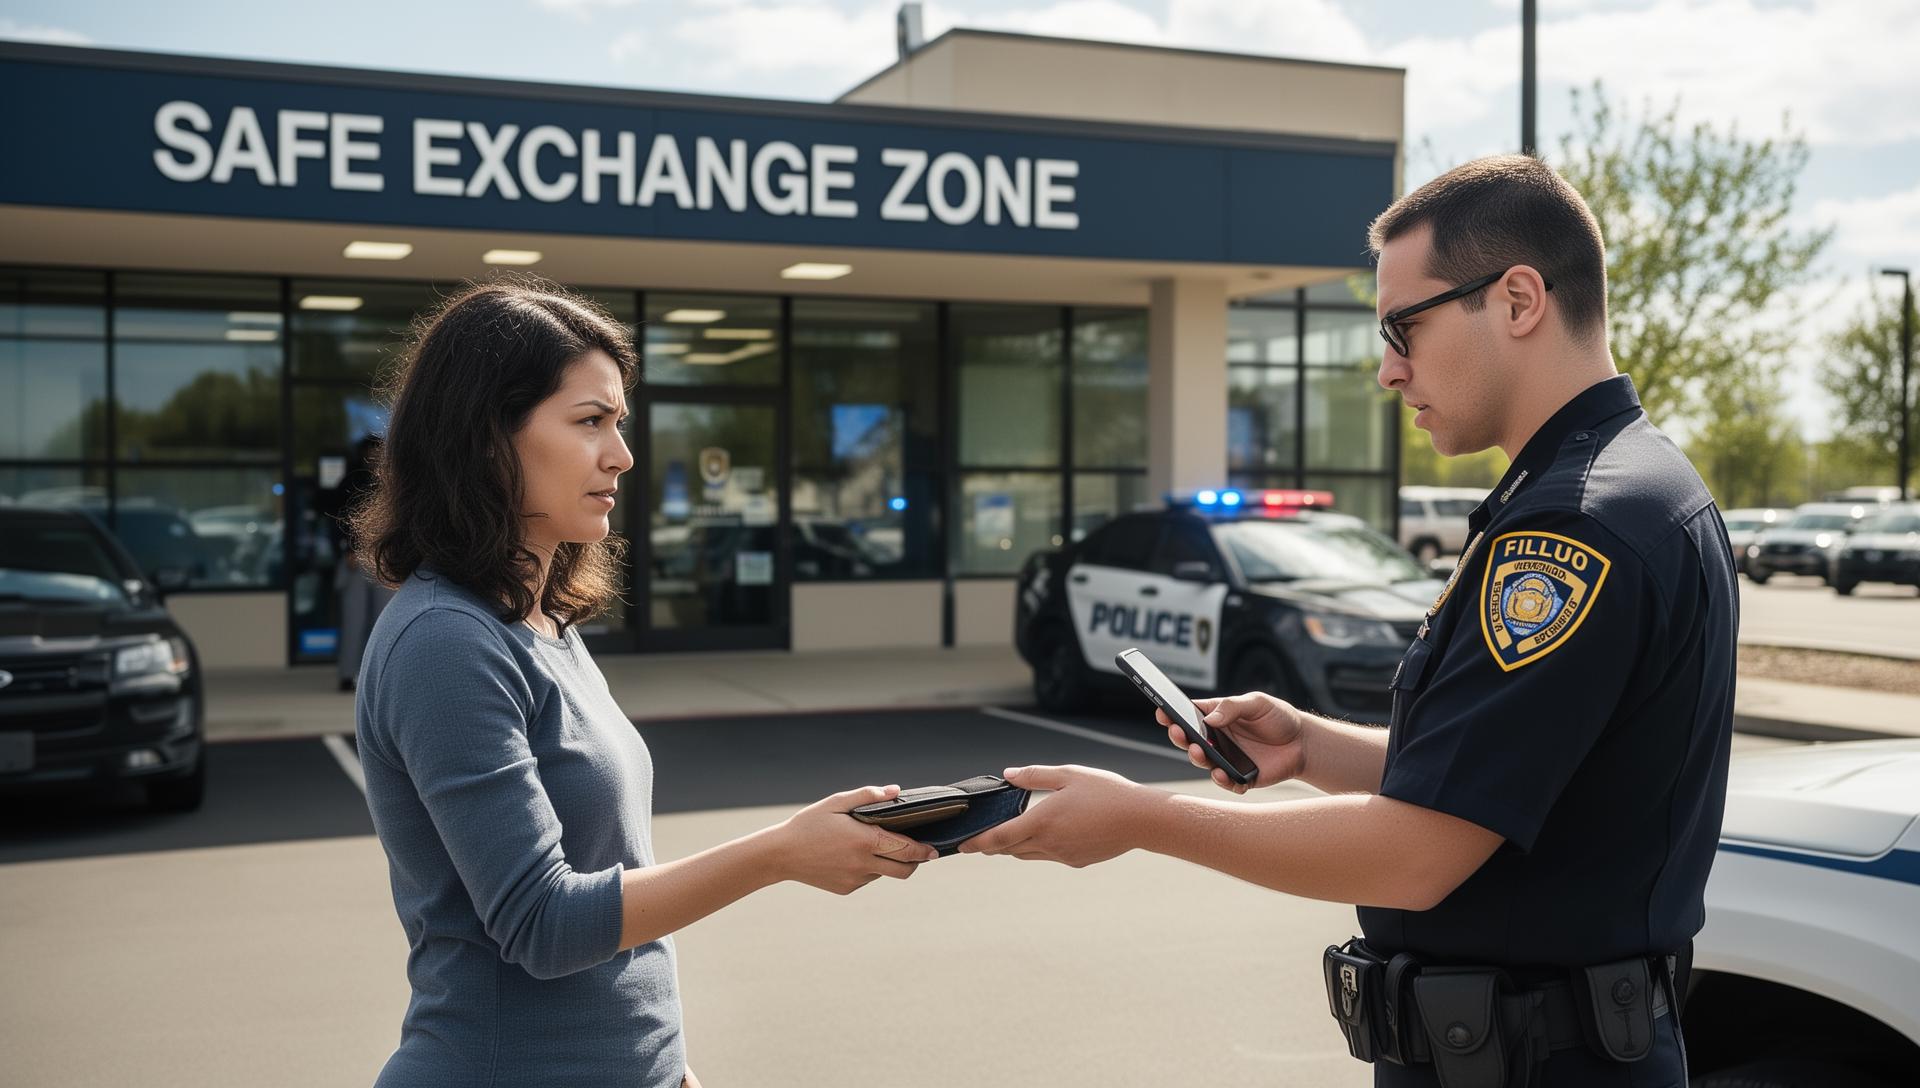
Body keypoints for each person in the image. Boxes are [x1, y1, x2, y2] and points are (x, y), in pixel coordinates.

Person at [961, 155, 1738, 1087]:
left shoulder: (1571, 524)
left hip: (1535, 1062)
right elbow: (1510, 784)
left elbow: (1417, 856)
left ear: (1520, 298)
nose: (1386, 369)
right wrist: (1309, 748)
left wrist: (1143, 819)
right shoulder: (1628, 486)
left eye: (1404, 327)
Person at [350, 278, 940, 1088]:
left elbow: (613, 896)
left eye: (618, 423)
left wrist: (666, 1064)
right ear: (485, 438)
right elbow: (544, 923)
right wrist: (780, 852)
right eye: (590, 422)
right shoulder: (445, 642)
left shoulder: (542, 625)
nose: (621, 455)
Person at [333, 434, 393, 692]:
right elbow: (335, 518)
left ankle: (377, 677)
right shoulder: (350, 482)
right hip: (356, 560)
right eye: (371, 451)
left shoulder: (392, 482)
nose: (375, 456)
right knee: (354, 620)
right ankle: (348, 674)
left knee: (383, 621)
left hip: (385, 559)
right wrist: (347, 547)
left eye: (379, 450)